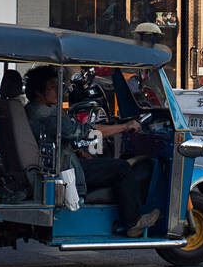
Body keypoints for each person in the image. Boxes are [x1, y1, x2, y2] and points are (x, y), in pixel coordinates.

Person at [23, 65, 160, 237]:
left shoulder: (30, 111)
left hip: (60, 162)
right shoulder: (49, 117)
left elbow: (57, 138)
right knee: (122, 168)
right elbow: (88, 132)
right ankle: (132, 222)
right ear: (38, 92)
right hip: (66, 170)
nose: (58, 90)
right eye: (52, 87)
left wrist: (75, 151)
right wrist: (125, 126)